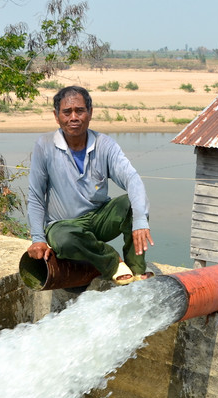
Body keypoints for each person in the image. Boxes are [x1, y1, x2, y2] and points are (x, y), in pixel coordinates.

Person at [26, 85, 154, 284]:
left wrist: (140, 221)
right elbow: (35, 196)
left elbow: (132, 179)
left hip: (98, 218)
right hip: (64, 225)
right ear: (56, 116)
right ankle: (113, 263)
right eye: (67, 112)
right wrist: (38, 238)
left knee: (132, 205)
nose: (74, 117)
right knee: (64, 239)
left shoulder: (105, 144)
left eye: (80, 111)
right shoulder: (45, 146)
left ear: (90, 113)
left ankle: (137, 269)